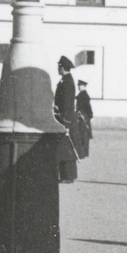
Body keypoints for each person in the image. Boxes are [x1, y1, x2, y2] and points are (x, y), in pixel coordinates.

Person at [54, 55, 78, 183]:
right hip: (62, 118)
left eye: (59, 66)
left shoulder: (67, 82)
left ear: (62, 67)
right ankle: (65, 175)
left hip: (65, 119)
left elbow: (68, 103)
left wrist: (66, 122)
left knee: (67, 148)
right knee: (63, 148)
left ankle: (69, 176)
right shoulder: (65, 80)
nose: (58, 69)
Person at [72, 80, 93, 160]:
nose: (78, 87)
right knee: (83, 135)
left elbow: (87, 108)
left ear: (84, 86)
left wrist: (86, 115)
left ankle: (83, 153)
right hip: (83, 117)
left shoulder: (83, 96)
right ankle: (83, 153)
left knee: (83, 135)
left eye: (80, 85)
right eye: (78, 85)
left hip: (83, 118)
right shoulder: (82, 95)